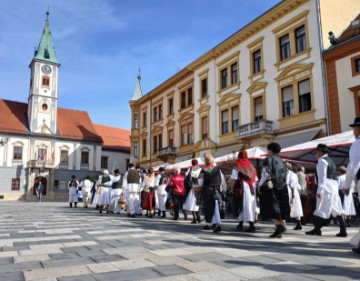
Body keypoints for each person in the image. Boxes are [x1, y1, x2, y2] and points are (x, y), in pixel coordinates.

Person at [305, 143, 347, 237]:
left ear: (319, 152)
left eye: (316, 152)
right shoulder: (331, 160)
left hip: (326, 187)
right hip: (334, 187)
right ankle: (343, 231)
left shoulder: (322, 162)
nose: (315, 154)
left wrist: (319, 191)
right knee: (337, 209)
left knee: (320, 209)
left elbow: (322, 178)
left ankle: (316, 230)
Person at [258, 143, 289, 238]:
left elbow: (265, 173)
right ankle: (280, 229)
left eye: (267, 150)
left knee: (271, 207)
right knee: (281, 208)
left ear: (270, 150)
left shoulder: (268, 159)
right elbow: (286, 173)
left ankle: (279, 227)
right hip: (283, 186)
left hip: (272, 186)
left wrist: (260, 185)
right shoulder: (283, 161)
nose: (267, 152)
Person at [343, 117, 360, 254]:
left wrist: (347, 184)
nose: (353, 131)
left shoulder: (357, 143)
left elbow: (353, 165)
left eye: (354, 128)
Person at [230, 149, 258, 232]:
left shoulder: (238, 165)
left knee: (243, 205)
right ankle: (241, 223)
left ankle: (252, 226)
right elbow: (256, 179)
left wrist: (232, 188)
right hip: (252, 187)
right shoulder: (251, 165)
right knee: (249, 205)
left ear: (239, 156)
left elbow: (234, 178)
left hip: (243, 186)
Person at [201, 154, 225, 233]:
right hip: (216, 190)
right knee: (215, 207)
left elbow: (200, 181)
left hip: (207, 191)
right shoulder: (217, 169)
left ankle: (211, 223)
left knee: (209, 208)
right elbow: (221, 180)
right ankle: (216, 223)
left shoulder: (205, 170)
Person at [183, 159, 203, 224]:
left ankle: (194, 219)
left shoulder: (190, 170)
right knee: (197, 204)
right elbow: (206, 173)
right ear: (197, 163)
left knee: (192, 204)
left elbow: (186, 179)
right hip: (199, 188)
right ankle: (199, 218)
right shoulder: (201, 169)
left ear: (192, 164)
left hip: (192, 188)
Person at [286, 162, 303, 230]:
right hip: (294, 191)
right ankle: (298, 223)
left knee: (292, 206)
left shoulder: (289, 174)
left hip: (290, 191)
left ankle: (283, 224)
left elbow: (292, 185)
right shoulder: (293, 174)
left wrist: (293, 194)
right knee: (296, 207)